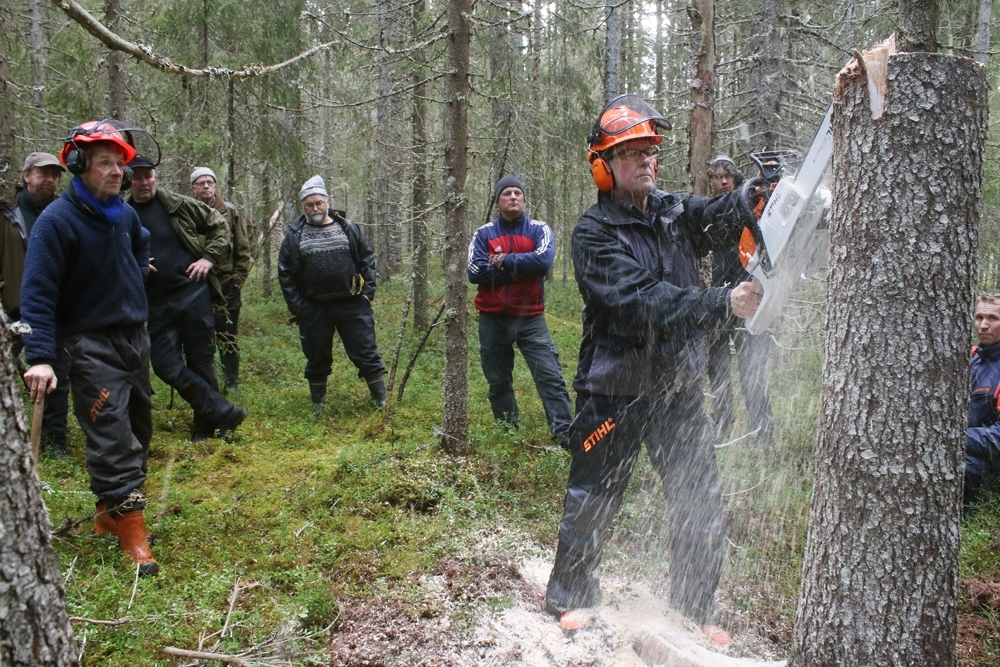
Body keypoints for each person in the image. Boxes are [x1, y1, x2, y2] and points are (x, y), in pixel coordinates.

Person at [545, 95, 763, 645]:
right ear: (605, 165)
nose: (646, 161)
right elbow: (644, 300)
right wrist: (721, 303)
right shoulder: (594, 233)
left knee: (699, 500)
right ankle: (570, 595)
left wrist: (748, 198)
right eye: (632, 153)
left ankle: (694, 606)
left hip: (678, 388)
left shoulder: (670, 211)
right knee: (593, 496)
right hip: (615, 389)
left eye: (650, 151)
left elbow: (711, 215)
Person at [20, 119, 158, 574]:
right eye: (105, 163)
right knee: (112, 431)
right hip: (88, 343)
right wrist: (40, 356)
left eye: (120, 163)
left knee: (138, 426)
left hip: (134, 338)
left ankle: (106, 514)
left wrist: (135, 277)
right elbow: (37, 291)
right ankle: (133, 528)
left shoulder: (126, 214)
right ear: (79, 165)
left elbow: (141, 246)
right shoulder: (57, 222)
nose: (117, 172)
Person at [127, 155, 246, 441]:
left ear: (155, 177)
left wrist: (208, 258)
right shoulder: (122, 214)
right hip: (155, 303)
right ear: (127, 181)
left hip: (193, 295)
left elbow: (220, 226)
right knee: (165, 365)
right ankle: (222, 409)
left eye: (149, 176)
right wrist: (135, 265)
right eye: (138, 177)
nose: (145, 182)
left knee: (201, 361)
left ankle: (204, 428)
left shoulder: (179, 204)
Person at [467, 174, 573, 445]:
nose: (513, 197)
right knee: (498, 380)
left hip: (530, 319)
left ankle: (564, 434)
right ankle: (506, 431)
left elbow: (543, 262)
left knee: (550, 376)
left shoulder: (540, 230)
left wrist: (504, 261)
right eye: (507, 193)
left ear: (524, 199)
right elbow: (475, 271)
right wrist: (517, 272)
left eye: (517, 193)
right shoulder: (484, 233)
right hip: (492, 319)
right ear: (498, 200)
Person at [278, 175, 385, 414]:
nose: (315, 208)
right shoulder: (295, 235)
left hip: (352, 303)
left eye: (318, 202)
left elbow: (367, 260)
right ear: (303, 206)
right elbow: (285, 274)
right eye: (309, 204)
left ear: (328, 201)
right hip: (313, 306)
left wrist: (367, 293)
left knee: (366, 351)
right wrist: (298, 307)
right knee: (316, 356)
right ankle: (319, 406)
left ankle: (381, 402)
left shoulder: (348, 228)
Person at [3, 152, 71, 457]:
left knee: (58, 373)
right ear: (26, 175)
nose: (51, 180)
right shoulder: (6, 216)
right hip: (13, 310)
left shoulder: (63, 214)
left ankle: (54, 441)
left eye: (55, 175)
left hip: (51, 309)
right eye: (44, 173)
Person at [705, 155, 775, 449]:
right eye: (718, 176)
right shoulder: (708, 211)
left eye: (727, 176)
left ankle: (763, 434)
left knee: (751, 371)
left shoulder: (748, 206)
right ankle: (723, 422)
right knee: (718, 367)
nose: (723, 181)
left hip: (749, 297)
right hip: (720, 299)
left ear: (735, 178)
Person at [190, 167, 251, 398]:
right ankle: (207, 383)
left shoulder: (230, 212)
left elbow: (243, 249)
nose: (206, 186)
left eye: (210, 182)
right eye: (201, 183)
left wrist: (237, 282)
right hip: (198, 285)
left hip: (226, 285)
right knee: (202, 337)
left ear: (215, 186)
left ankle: (232, 382)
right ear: (194, 188)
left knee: (228, 335)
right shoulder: (188, 211)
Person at [965, 294, 1000, 507]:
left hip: (989, 467)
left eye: (993, 318)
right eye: (979, 317)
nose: (983, 325)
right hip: (966, 452)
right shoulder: (971, 358)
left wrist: (953, 439)